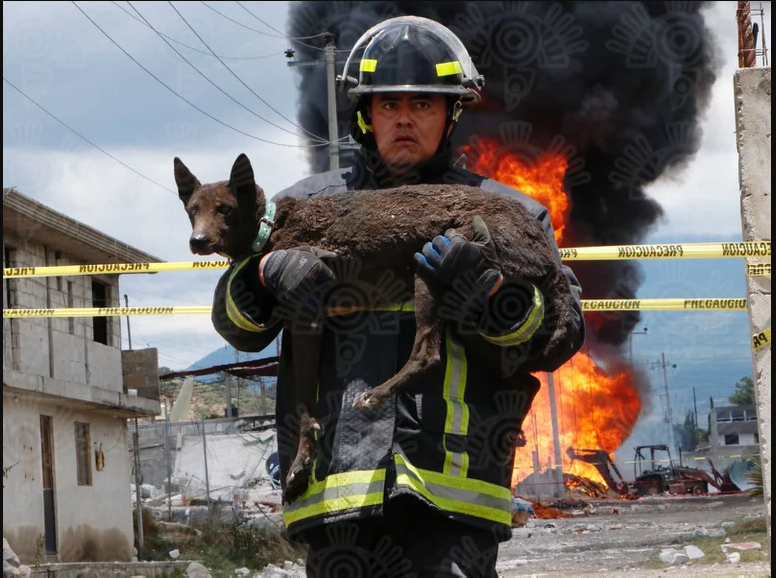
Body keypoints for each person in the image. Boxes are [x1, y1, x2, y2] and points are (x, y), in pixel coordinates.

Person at [211, 16, 585, 578]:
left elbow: (557, 334)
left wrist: (491, 296)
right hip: (337, 495)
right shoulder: (304, 208)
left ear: (451, 112)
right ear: (365, 112)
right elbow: (236, 325)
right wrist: (264, 277)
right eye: (388, 104)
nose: (404, 118)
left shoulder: (502, 213)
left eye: (424, 104)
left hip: (453, 496)